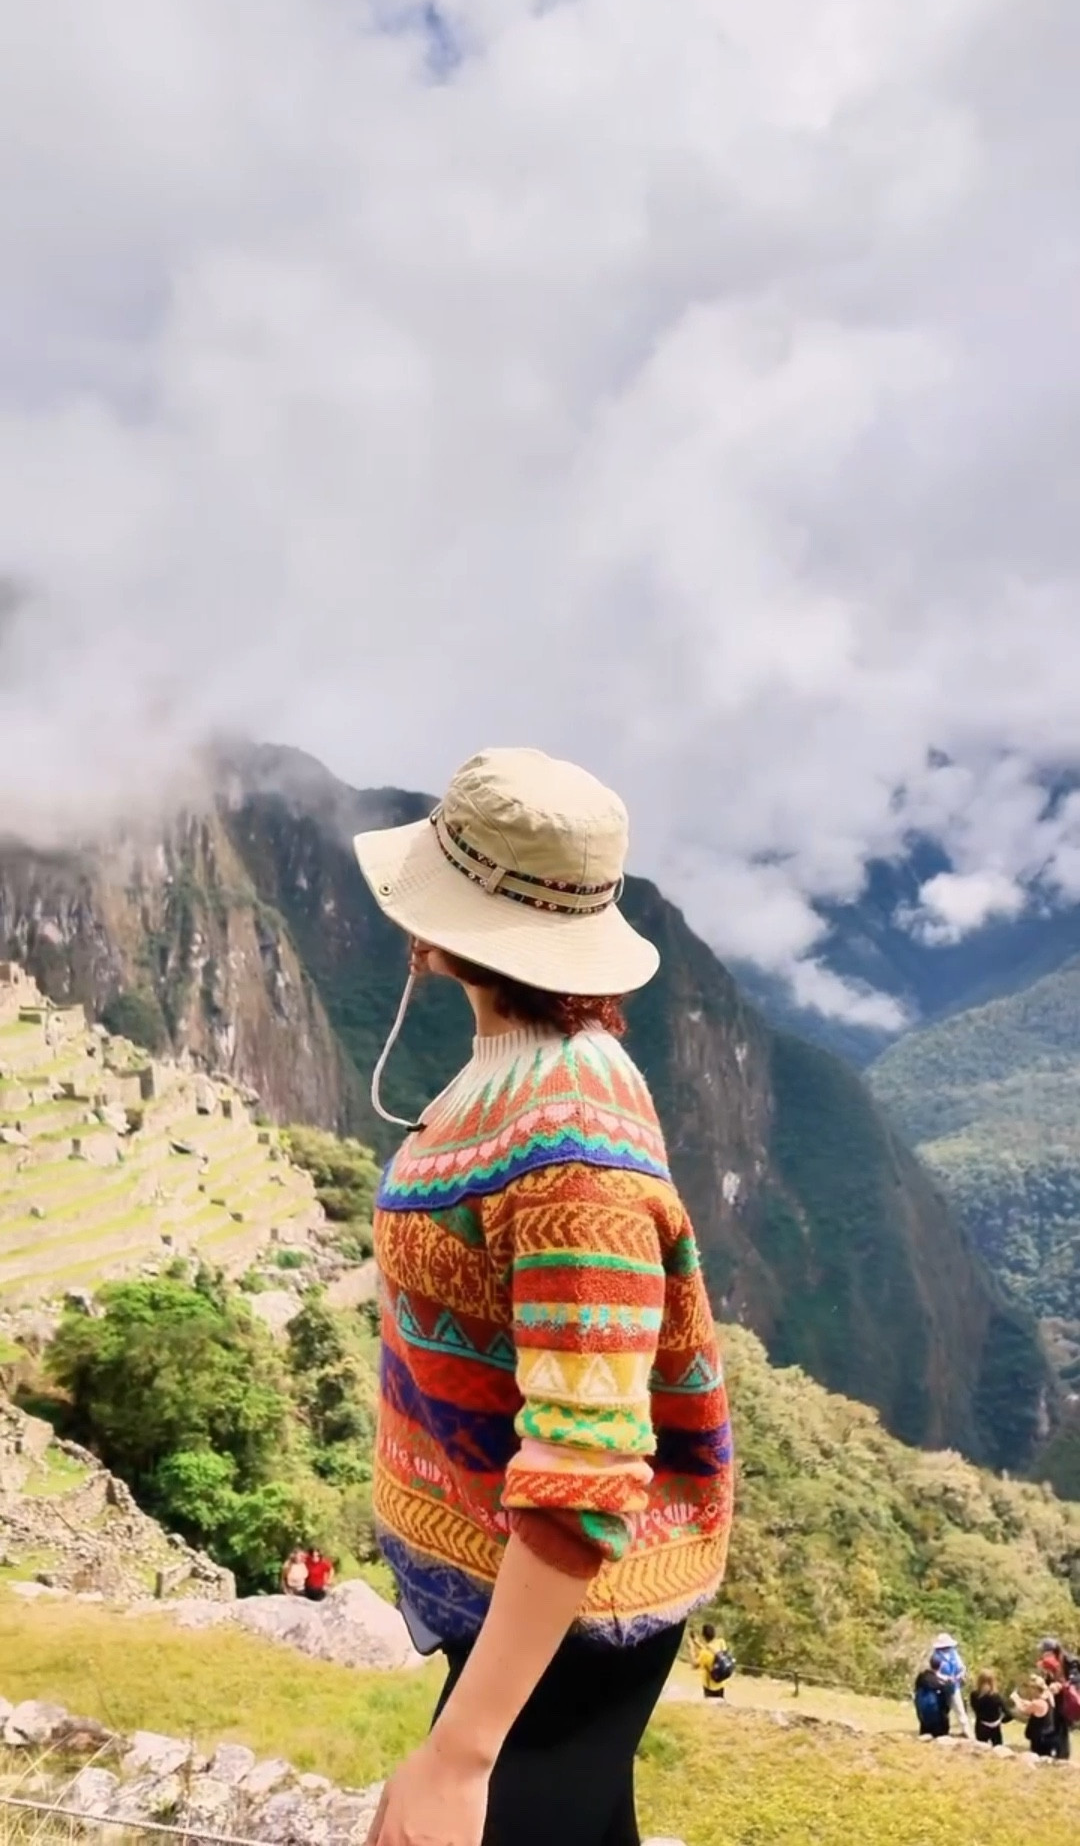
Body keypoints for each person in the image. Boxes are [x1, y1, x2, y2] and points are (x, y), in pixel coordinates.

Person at [352, 749, 733, 1846]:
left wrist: (460, 1757)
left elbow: (583, 1480)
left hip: (565, 1623)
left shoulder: (578, 1158)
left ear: (449, 925)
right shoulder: (511, 1064)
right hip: (514, 1594)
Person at [929, 1633, 972, 1739]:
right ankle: (939, 1731)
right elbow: (934, 1673)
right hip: (941, 1687)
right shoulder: (936, 1657)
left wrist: (961, 1673)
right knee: (941, 1710)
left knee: (960, 1709)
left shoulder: (954, 1653)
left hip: (954, 1686)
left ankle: (966, 1732)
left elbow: (961, 1667)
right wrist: (945, 1678)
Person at [1012, 1673, 1058, 1758]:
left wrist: (1016, 1699)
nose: (1030, 1690)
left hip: (1040, 1739)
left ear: (1036, 1689)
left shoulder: (1037, 1703)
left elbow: (1023, 1710)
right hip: (1049, 1735)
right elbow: (1032, 1705)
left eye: (1032, 1688)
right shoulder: (1048, 1697)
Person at [969, 1670, 1012, 1747]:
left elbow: (976, 1710)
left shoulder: (974, 1695)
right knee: (998, 1749)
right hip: (994, 1726)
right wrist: (1000, 1721)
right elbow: (1009, 1714)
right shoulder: (997, 1696)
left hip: (982, 1725)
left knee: (982, 1750)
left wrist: (982, 1696)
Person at [913, 1654, 952, 1739]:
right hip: (938, 1720)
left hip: (923, 1717)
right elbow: (946, 1705)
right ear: (941, 1665)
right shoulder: (941, 1684)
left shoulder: (922, 1677)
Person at [693, 1624, 734, 1702]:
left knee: (710, 1706)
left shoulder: (704, 1654)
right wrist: (698, 1644)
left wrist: (691, 1646)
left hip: (710, 1685)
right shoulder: (721, 1642)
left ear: (703, 1636)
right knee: (720, 1704)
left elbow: (694, 1665)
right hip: (721, 1682)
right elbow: (715, 1654)